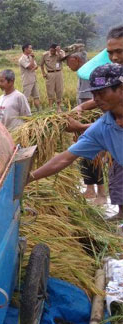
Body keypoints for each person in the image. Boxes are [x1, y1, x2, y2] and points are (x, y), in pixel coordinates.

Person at [28, 63, 123, 218]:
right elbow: (65, 158)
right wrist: (28, 179)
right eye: (94, 94)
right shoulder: (103, 128)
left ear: (121, 89)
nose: (96, 99)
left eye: (102, 93)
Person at [69, 25, 123, 218]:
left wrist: (82, 127)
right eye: (111, 53)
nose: (115, 57)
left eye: (119, 51)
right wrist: (83, 107)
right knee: (117, 175)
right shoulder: (115, 72)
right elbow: (105, 94)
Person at [63, 45, 107, 204]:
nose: (68, 65)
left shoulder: (94, 73)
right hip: (83, 119)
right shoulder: (84, 73)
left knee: (95, 155)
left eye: (68, 61)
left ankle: (101, 192)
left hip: (92, 119)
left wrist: (82, 123)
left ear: (76, 59)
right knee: (85, 155)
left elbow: (99, 99)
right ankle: (90, 188)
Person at [40, 43, 67, 111]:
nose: (52, 52)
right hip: (50, 74)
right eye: (51, 50)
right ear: (49, 49)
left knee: (59, 90)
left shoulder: (61, 52)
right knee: (50, 90)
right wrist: (43, 73)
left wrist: (58, 51)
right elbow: (41, 65)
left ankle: (59, 107)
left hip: (58, 73)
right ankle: (50, 107)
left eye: (53, 51)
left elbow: (63, 59)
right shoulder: (45, 55)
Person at [19, 44, 42, 111]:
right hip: (27, 80)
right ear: (25, 49)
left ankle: (39, 111)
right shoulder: (22, 59)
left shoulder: (30, 57)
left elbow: (36, 66)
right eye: (30, 48)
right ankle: (25, 112)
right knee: (26, 98)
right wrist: (33, 60)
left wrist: (32, 66)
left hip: (34, 79)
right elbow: (30, 67)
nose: (31, 50)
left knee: (36, 96)